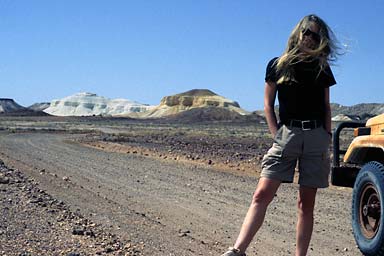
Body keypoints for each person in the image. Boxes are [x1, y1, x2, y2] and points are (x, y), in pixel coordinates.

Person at [221, 14, 340, 256]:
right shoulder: (278, 64)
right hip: (288, 134)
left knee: (306, 205)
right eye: (307, 32)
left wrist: (327, 136)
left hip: (316, 136)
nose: (310, 38)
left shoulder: (321, 68)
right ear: (298, 33)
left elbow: (327, 106)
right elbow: (267, 104)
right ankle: (237, 250)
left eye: (316, 35)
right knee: (262, 193)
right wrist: (276, 133)